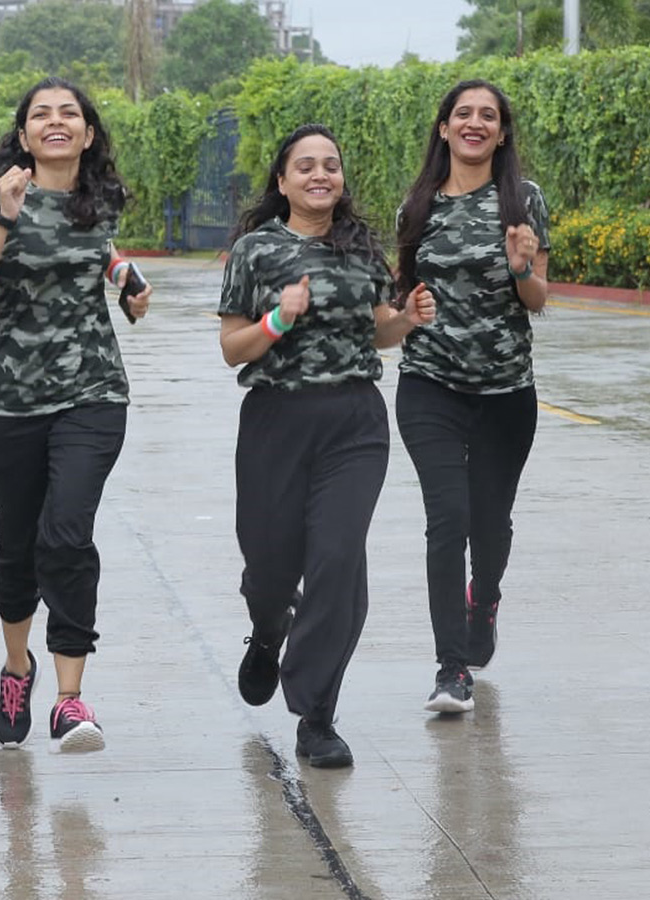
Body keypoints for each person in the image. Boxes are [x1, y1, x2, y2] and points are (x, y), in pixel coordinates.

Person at [219, 124, 435, 768]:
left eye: (331, 166)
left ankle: (317, 714)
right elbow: (233, 348)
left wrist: (407, 317)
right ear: (282, 181)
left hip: (353, 422)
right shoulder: (255, 251)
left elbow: (378, 335)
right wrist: (278, 318)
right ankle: (266, 631)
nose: (321, 175)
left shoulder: (361, 248)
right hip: (274, 422)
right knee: (270, 571)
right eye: (305, 166)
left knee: (339, 561)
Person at [0, 76, 152, 753]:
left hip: (93, 394)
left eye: (70, 114)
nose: (57, 122)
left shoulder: (103, 200)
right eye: (43, 114)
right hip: (10, 401)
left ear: (88, 134)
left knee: (66, 533)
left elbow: (100, 251)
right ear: (25, 133)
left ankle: (70, 698)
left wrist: (125, 279)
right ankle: (17, 668)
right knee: (17, 547)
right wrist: (5, 218)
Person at [395, 80, 549, 715]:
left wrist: (520, 267)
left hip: (506, 393)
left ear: (502, 133)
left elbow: (538, 299)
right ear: (444, 128)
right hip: (429, 382)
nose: (475, 123)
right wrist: (403, 312)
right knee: (446, 520)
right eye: (464, 114)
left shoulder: (523, 200)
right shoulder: (418, 204)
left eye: (488, 116)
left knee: (490, 523)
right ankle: (450, 666)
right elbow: (400, 294)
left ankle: (483, 598)